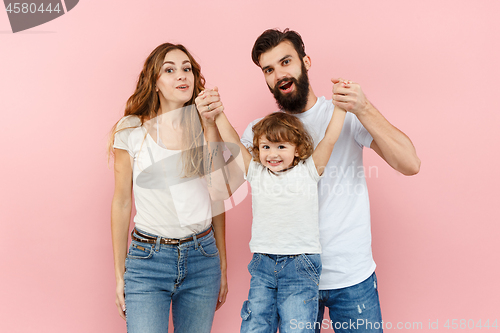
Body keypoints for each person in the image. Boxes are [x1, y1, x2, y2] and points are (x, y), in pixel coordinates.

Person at [240, 29, 421, 333]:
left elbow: (410, 164)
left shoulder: (346, 116)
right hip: (288, 280)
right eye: (268, 70)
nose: (279, 75)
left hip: (350, 277)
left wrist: (363, 107)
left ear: (306, 61)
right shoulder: (261, 135)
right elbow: (229, 183)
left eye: (286, 62)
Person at [197, 87, 347, 333]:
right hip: (263, 265)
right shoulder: (256, 172)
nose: (272, 154)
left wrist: (341, 107)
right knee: (255, 326)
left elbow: (329, 139)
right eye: (265, 147)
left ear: (297, 149)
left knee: (297, 328)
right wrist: (218, 113)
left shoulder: (308, 171)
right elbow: (234, 141)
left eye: (281, 147)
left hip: (300, 265)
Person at [109, 43, 228, 333]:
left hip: (202, 259)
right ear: (156, 83)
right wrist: (119, 274)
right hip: (148, 260)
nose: (181, 75)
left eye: (187, 68)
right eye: (170, 69)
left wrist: (223, 266)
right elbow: (122, 202)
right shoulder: (130, 130)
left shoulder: (207, 127)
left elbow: (217, 198)